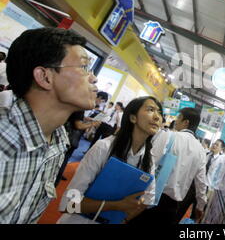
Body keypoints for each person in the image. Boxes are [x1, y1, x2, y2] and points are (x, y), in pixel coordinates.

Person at [0, 28, 98, 224]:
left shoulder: (58, 140)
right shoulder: (4, 138)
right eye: (84, 67)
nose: (94, 78)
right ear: (45, 77)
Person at [57, 96, 164, 224]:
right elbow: (68, 204)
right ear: (132, 117)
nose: (157, 117)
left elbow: (148, 199)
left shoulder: (149, 160)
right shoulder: (104, 147)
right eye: (151, 109)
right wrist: (117, 205)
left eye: (160, 113)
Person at [129, 107, 208, 225]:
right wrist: (200, 206)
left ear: (186, 122)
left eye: (179, 118)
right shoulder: (201, 151)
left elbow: (150, 162)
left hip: (151, 196)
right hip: (171, 207)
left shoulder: (169, 136)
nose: (176, 120)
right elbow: (201, 182)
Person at [55, 111, 101, 185]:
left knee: (63, 158)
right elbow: (79, 126)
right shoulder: (80, 109)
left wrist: (87, 120)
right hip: (69, 138)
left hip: (65, 135)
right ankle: (56, 178)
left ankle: (58, 175)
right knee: (64, 159)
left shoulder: (77, 108)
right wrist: (93, 124)